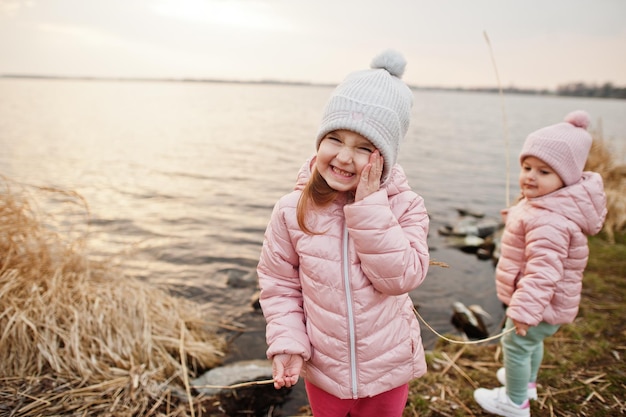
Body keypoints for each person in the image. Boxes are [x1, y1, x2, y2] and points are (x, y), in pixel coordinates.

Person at [256, 49, 430, 417]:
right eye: (335, 139)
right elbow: (279, 285)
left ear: (387, 155)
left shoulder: (405, 206)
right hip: (325, 371)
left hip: (389, 369)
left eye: (364, 147)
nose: (344, 158)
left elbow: (403, 277)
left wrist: (369, 209)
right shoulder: (291, 209)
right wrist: (288, 341)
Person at [474, 110, 607, 417]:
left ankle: (515, 401)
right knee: (531, 345)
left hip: (539, 303)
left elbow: (543, 272)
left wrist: (524, 311)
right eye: (527, 167)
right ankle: (528, 383)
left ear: (566, 178)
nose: (530, 176)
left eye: (544, 172)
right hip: (549, 305)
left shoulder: (550, 222)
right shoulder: (545, 206)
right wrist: (518, 216)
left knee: (517, 345)